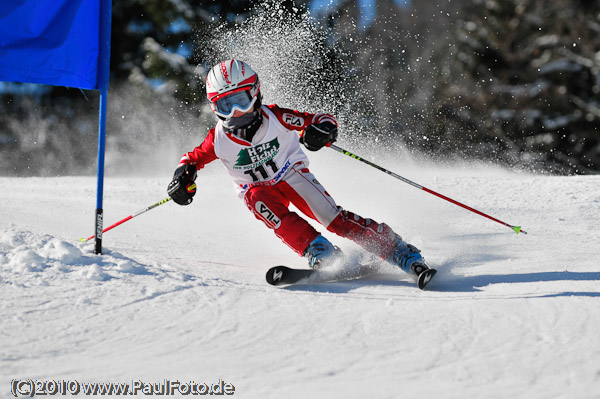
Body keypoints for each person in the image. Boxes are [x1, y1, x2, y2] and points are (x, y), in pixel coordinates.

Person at [167, 59, 434, 287]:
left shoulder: (276, 117)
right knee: (256, 198)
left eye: (241, 100)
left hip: (291, 175)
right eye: (226, 105)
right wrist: (183, 177)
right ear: (215, 108)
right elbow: (190, 159)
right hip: (256, 188)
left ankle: (399, 251)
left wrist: (321, 132)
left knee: (334, 220)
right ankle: (320, 251)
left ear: (256, 93)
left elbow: (321, 120)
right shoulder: (218, 139)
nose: (236, 112)